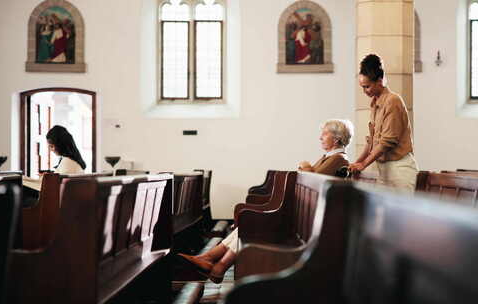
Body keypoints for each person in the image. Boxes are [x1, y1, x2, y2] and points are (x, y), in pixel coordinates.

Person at [177, 119, 353, 283]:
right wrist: (306, 168)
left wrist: (306, 167)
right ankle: (213, 263)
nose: (320, 137)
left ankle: (215, 264)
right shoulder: (329, 157)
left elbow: (312, 178)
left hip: (310, 220)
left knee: (252, 225)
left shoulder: (338, 159)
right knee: (249, 224)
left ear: (336, 139)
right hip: (305, 214)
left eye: (325, 134)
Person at [348, 54, 418, 192]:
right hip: (383, 170)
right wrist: (357, 162)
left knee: (401, 213)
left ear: (379, 81)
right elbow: (372, 142)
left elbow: (387, 142)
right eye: (362, 87)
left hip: (399, 169)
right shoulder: (375, 103)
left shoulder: (393, 101)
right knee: (382, 213)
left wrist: (364, 164)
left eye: (367, 87)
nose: (364, 91)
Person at [22, 125, 86, 191]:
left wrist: (48, 178)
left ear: (60, 145)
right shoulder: (71, 160)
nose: (51, 150)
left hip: (57, 197)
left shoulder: (67, 161)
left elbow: (55, 187)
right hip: (62, 195)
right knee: (23, 180)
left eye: (51, 146)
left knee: (22, 182)